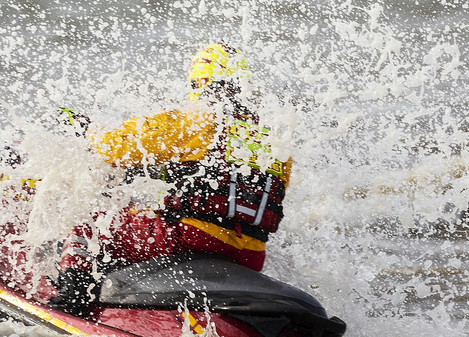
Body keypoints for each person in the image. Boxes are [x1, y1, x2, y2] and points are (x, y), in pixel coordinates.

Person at [47, 44, 292, 315]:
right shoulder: (273, 140)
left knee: (92, 222)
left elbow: (112, 147)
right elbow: (235, 182)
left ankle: (73, 299)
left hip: (192, 238)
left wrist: (86, 128)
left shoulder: (197, 121)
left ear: (199, 83)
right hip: (251, 255)